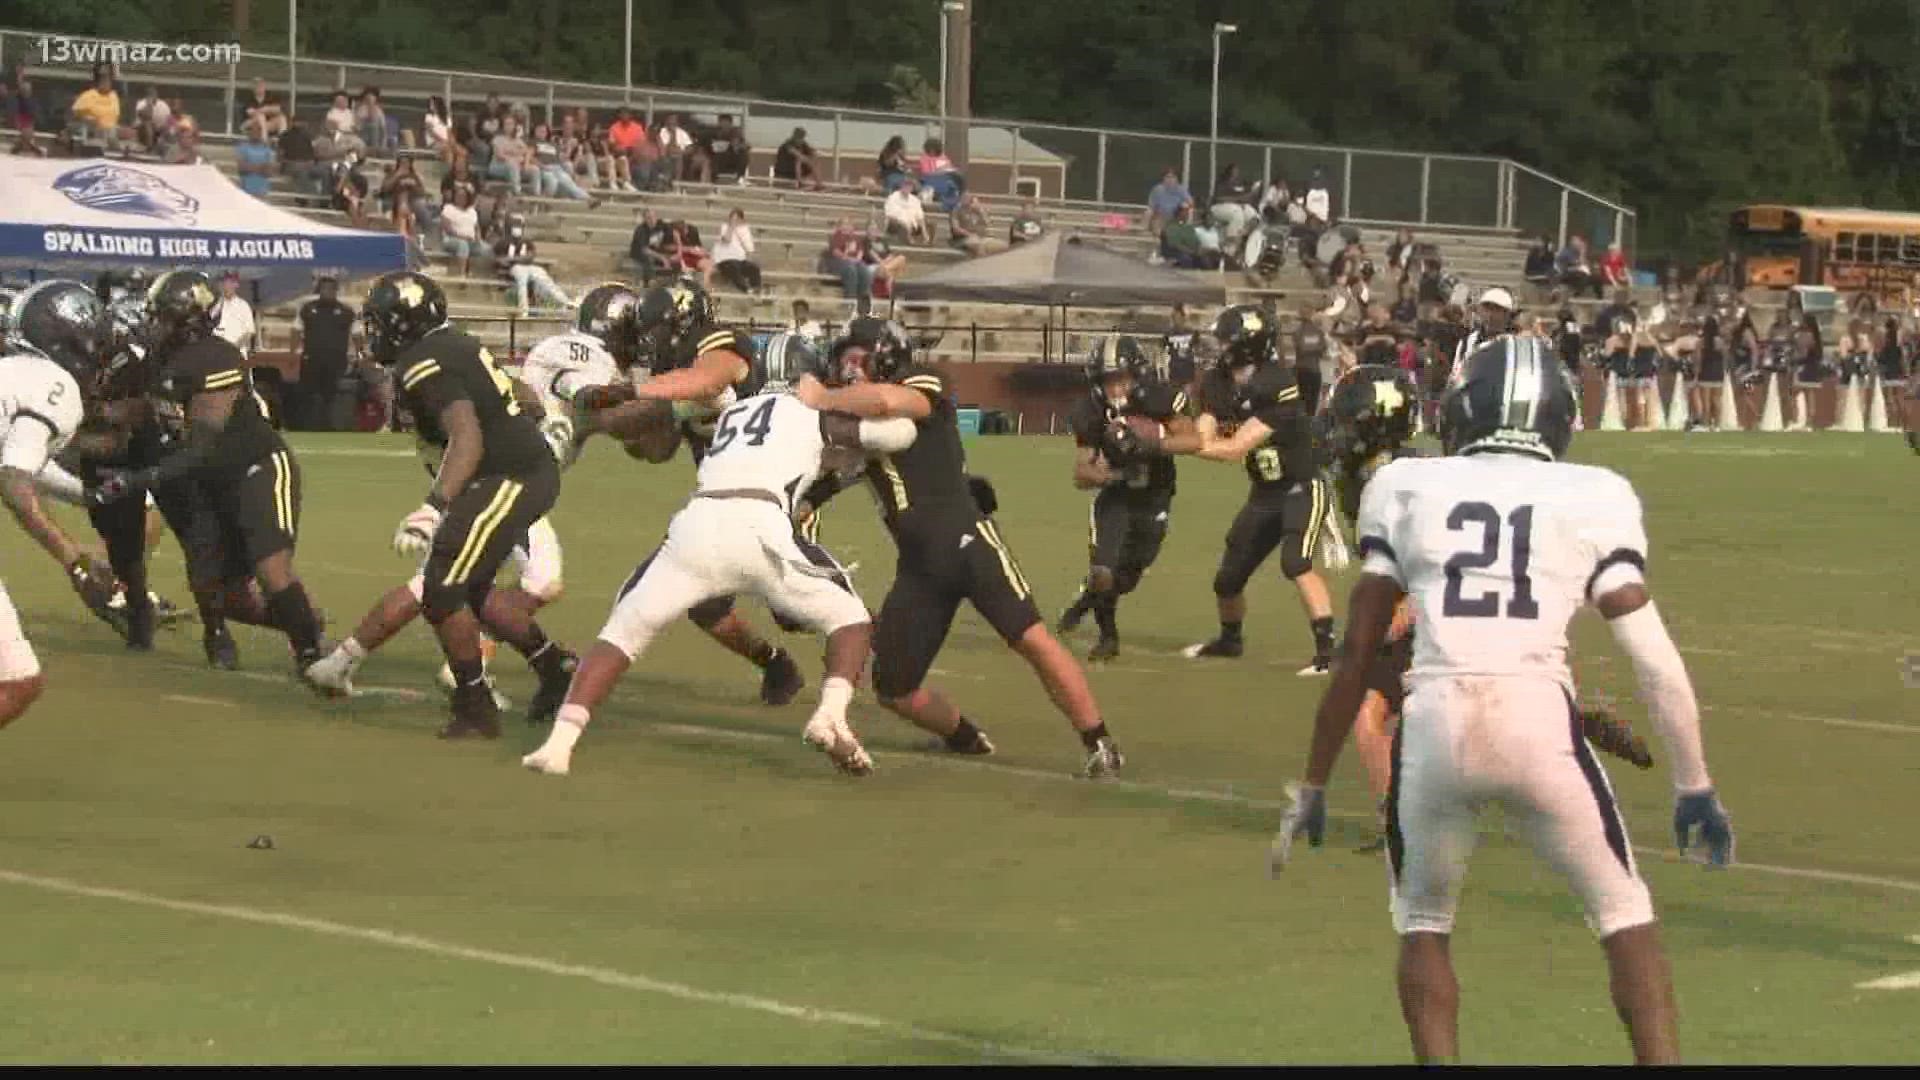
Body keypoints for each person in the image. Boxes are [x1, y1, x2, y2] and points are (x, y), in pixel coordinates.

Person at [1273, 335, 1733, 1066]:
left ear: (1460, 408)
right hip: (1538, 724)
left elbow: (1356, 654)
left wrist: (1316, 781)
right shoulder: (1597, 494)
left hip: (1433, 727)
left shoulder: (1406, 486)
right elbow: (1654, 659)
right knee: (1624, 916)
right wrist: (1693, 783)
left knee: (1424, 922)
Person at [522, 345, 915, 779]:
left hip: (696, 526)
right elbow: (899, 435)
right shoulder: (816, 413)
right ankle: (831, 715)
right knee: (851, 620)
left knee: (622, 631)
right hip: (761, 526)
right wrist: (861, 409)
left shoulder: (732, 412)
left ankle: (559, 746)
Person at [792, 317, 1125, 777]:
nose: (847, 369)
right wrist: (803, 501)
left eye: (855, 358)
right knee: (893, 687)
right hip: (919, 568)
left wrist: (823, 398)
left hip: (968, 544)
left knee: (1033, 640)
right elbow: (838, 469)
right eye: (843, 359)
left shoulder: (918, 383)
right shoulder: (861, 422)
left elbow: (890, 400)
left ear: (885, 354)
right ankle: (965, 738)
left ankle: (1099, 742)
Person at [309, 281, 618, 710]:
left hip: (476, 480)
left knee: (459, 585)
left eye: (378, 324)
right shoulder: (443, 353)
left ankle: (534, 667)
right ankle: (467, 677)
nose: (373, 333)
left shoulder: (431, 359)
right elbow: (475, 428)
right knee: (463, 584)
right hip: (485, 483)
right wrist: (545, 421)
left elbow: (504, 401)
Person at [88, 270, 330, 687]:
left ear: (188, 321)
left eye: (163, 317)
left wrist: (137, 479)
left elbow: (200, 448)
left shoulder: (215, 357)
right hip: (212, 479)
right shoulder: (164, 358)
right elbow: (146, 410)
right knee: (229, 593)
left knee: (271, 569)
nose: (155, 325)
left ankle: (312, 656)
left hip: (256, 468)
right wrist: (92, 415)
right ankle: (301, 621)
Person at [574, 280, 809, 706]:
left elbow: (707, 381)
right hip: (722, 506)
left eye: (652, 331)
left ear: (679, 323)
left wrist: (631, 393)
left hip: (776, 498)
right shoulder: (670, 378)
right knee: (706, 608)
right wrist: (615, 425)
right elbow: (656, 451)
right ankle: (775, 664)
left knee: (800, 607)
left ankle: (879, 640)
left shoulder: (718, 344)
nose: (647, 342)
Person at [1176, 305, 1338, 675]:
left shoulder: (1278, 382)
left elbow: (1234, 449)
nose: (1219, 347)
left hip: (1301, 485)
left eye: (1227, 341)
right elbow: (1205, 433)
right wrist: (1188, 441)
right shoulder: (1218, 380)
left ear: (1248, 345)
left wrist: (1165, 444)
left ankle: (1326, 653)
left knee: (1295, 562)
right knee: (1228, 579)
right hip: (1265, 493)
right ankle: (1230, 641)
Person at [0, 282, 122, 724]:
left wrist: (87, 495)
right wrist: (74, 560)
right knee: (17, 682)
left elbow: (20, 465)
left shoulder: (14, 373)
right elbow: (14, 481)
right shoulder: (53, 381)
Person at [1054, 336, 1194, 661]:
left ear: (1136, 374)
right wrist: (1114, 474)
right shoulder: (1090, 409)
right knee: (1104, 569)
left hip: (1156, 495)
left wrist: (1148, 446)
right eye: (1107, 380)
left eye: (1121, 378)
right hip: (1116, 496)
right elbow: (1081, 475)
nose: (1115, 387)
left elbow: (1193, 440)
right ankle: (1108, 638)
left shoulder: (1158, 398)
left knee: (1126, 578)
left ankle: (1086, 600)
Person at [292, 276, 359, 431]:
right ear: (319, 291)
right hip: (311, 358)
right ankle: (309, 427)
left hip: (336, 360)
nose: (327, 292)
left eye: (330, 289)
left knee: (332, 394)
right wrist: (293, 353)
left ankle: (331, 427)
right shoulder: (307, 309)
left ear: (336, 291)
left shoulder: (347, 312)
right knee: (310, 393)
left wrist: (360, 354)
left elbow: (357, 334)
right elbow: (296, 330)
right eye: (323, 289)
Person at [494, 216, 572, 316]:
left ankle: (565, 301)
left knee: (545, 279)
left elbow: (531, 256)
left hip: (530, 266)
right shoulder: (502, 242)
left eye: (519, 226)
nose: (517, 229)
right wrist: (514, 260)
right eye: (515, 226)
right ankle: (524, 309)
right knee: (522, 282)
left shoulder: (527, 241)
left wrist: (512, 259)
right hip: (515, 268)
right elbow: (499, 259)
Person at [709, 208, 762, 294]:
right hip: (724, 260)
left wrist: (750, 256)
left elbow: (749, 248)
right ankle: (746, 289)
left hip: (739, 260)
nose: (733, 221)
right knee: (733, 267)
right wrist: (732, 226)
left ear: (741, 219)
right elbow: (727, 239)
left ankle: (756, 288)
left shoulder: (744, 230)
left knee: (754, 268)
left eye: (736, 219)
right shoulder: (724, 227)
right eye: (732, 218)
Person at [438, 184, 481, 276]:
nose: (460, 198)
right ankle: (462, 274)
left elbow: (477, 228)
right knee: (463, 245)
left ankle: (484, 277)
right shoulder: (448, 208)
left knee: (486, 249)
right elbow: (448, 229)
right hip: (451, 240)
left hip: (470, 240)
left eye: (463, 196)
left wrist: (478, 238)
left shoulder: (472, 211)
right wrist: (463, 237)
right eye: (458, 195)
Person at [212, 272, 256, 357]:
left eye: (231, 283)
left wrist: (235, 346)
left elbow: (249, 332)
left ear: (236, 285)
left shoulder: (243, 306)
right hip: (217, 354)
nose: (227, 286)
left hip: (236, 354)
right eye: (225, 283)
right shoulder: (216, 305)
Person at [883, 176, 933, 245]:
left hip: (912, 225)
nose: (907, 188)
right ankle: (909, 239)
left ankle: (925, 241)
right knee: (900, 224)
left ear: (912, 188)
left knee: (929, 224)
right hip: (896, 224)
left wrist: (924, 232)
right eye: (905, 185)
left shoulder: (915, 200)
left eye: (909, 186)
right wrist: (904, 223)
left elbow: (920, 217)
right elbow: (890, 215)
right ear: (901, 186)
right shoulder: (893, 198)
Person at [1145, 167, 1191, 236]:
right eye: (1168, 177)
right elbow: (1151, 205)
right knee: (1148, 212)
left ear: (1176, 179)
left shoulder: (1181, 190)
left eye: (1172, 177)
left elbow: (1190, 202)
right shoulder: (1157, 189)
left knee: (1185, 208)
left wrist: (1183, 205)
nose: (1170, 179)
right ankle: (1146, 231)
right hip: (1160, 216)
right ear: (1163, 178)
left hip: (1175, 216)